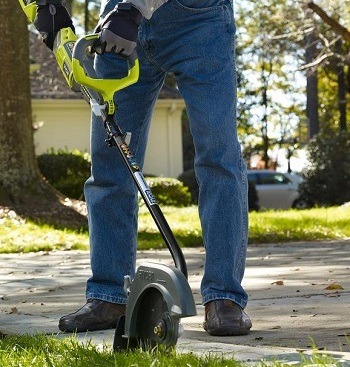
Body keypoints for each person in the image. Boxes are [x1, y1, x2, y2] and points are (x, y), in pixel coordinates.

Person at [33, 0, 252, 336]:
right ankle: (108, 295)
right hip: (116, 27)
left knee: (218, 158)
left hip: (197, 20)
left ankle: (224, 297)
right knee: (109, 166)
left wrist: (131, 8)